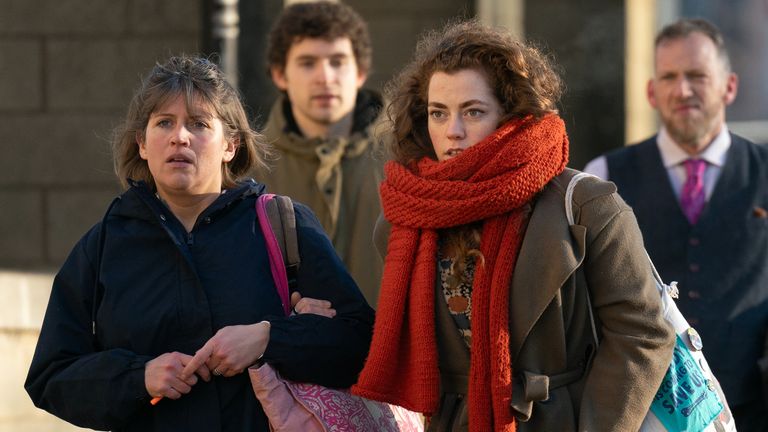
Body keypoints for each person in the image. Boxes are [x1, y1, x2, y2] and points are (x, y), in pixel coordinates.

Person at [350, 19, 675, 431]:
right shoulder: (406, 217)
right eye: (438, 113)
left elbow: (642, 334)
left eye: (473, 112)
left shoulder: (586, 205)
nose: (452, 132)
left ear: (511, 116)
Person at [24, 55, 374, 432]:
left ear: (231, 145)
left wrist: (267, 338)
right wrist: (139, 377)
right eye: (164, 123)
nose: (180, 136)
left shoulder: (283, 225)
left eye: (199, 123)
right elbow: (51, 375)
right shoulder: (105, 243)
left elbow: (362, 342)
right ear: (142, 144)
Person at [583, 18, 768, 431]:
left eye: (698, 76)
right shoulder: (603, 179)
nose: (683, 90)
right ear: (651, 91)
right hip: (647, 417)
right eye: (669, 77)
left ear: (730, 86)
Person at [255, 1, 385, 307]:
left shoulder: (406, 152)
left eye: (338, 62)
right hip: (287, 349)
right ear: (279, 75)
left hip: (391, 349)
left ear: (360, 72)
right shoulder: (250, 165)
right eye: (307, 62)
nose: (325, 77)